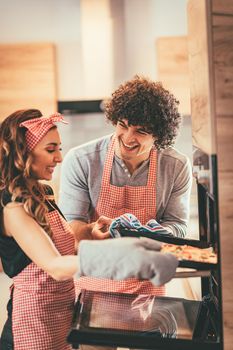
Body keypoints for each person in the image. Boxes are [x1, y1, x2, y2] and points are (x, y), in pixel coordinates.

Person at [0, 109, 178, 350]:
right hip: (32, 321)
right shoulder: (13, 209)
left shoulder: (44, 195)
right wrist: (122, 254)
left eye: (59, 148)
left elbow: (61, 247)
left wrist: (91, 232)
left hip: (60, 315)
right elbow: (55, 266)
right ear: (24, 154)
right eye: (50, 150)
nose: (59, 158)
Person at [59, 75, 192, 296]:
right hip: (95, 281)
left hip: (147, 283)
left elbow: (177, 226)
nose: (128, 138)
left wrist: (146, 233)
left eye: (141, 131)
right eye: (123, 125)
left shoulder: (175, 166)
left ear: (159, 135)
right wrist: (91, 231)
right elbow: (71, 229)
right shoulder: (81, 160)